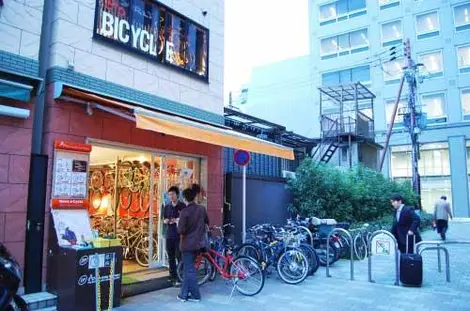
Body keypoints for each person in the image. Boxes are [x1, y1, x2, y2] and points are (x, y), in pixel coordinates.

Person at [177, 187, 209, 302]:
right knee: (188, 269)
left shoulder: (185, 212)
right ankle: (183, 294)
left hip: (187, 244)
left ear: (185, 198)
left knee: (189, 269)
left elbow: (181, 230)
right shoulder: (202, 209)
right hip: (199, 244)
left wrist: (177, 223)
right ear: (194, 197)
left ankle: (196, 295)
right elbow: (207, 222)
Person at [163, 186, 185, 286]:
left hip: (178, 235)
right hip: (169, 234)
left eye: (173, 194)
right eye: (170, 194)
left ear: (177, 195)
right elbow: (164, 219)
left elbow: (184, 220)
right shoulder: (167, 206)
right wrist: (166, 221)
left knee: (179, 256)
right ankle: (172, 276)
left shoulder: (182, 206)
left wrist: (177, 220)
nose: (171, 196)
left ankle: (180, 276)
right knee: (170, 256)